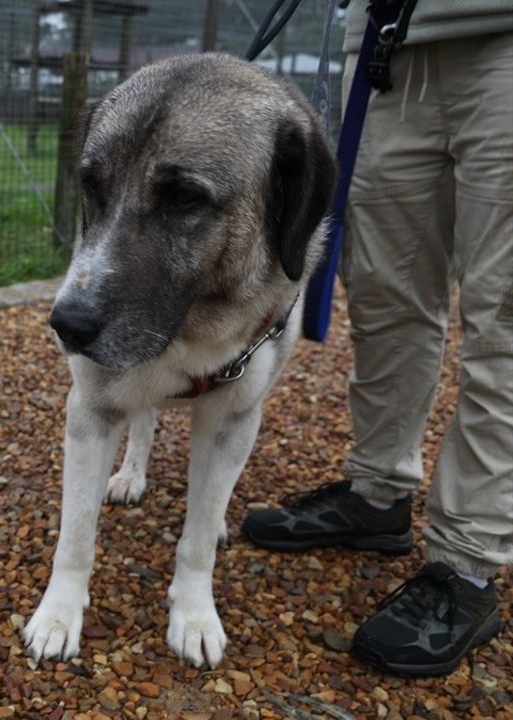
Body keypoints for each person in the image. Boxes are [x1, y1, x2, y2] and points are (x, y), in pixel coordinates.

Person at [241, 0, 512, 677]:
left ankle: (467, 566)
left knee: (503, 319)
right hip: (392, 49)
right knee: (385, 299)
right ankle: (377, 496)